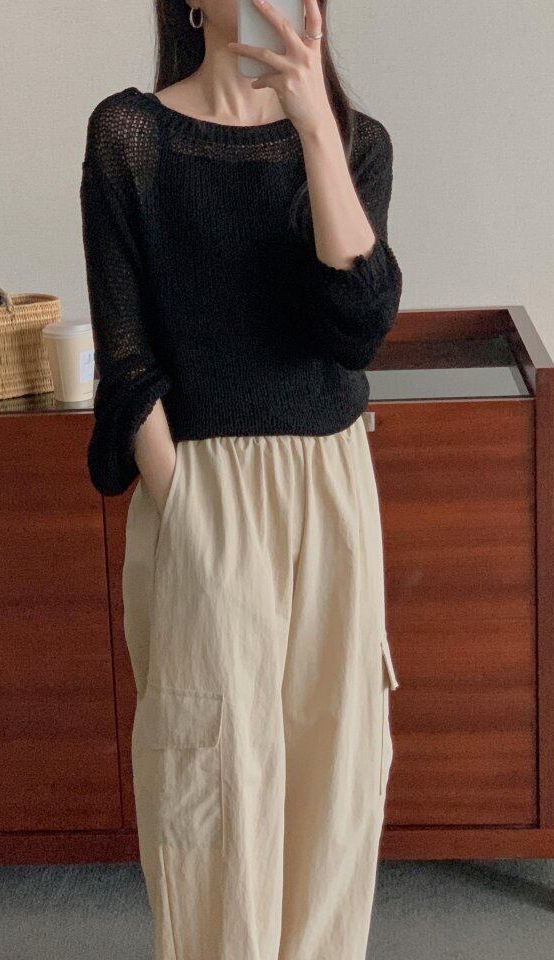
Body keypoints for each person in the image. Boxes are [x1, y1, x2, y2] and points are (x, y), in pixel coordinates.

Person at [79, 0, 403, 956]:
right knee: (213, 778)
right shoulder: (130, 135)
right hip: (203, 489)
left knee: (336, 770)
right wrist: (182, 501)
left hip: (332, 484)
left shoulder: (356, 142)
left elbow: (358, 326)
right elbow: (125, 356)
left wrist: (314, 127)